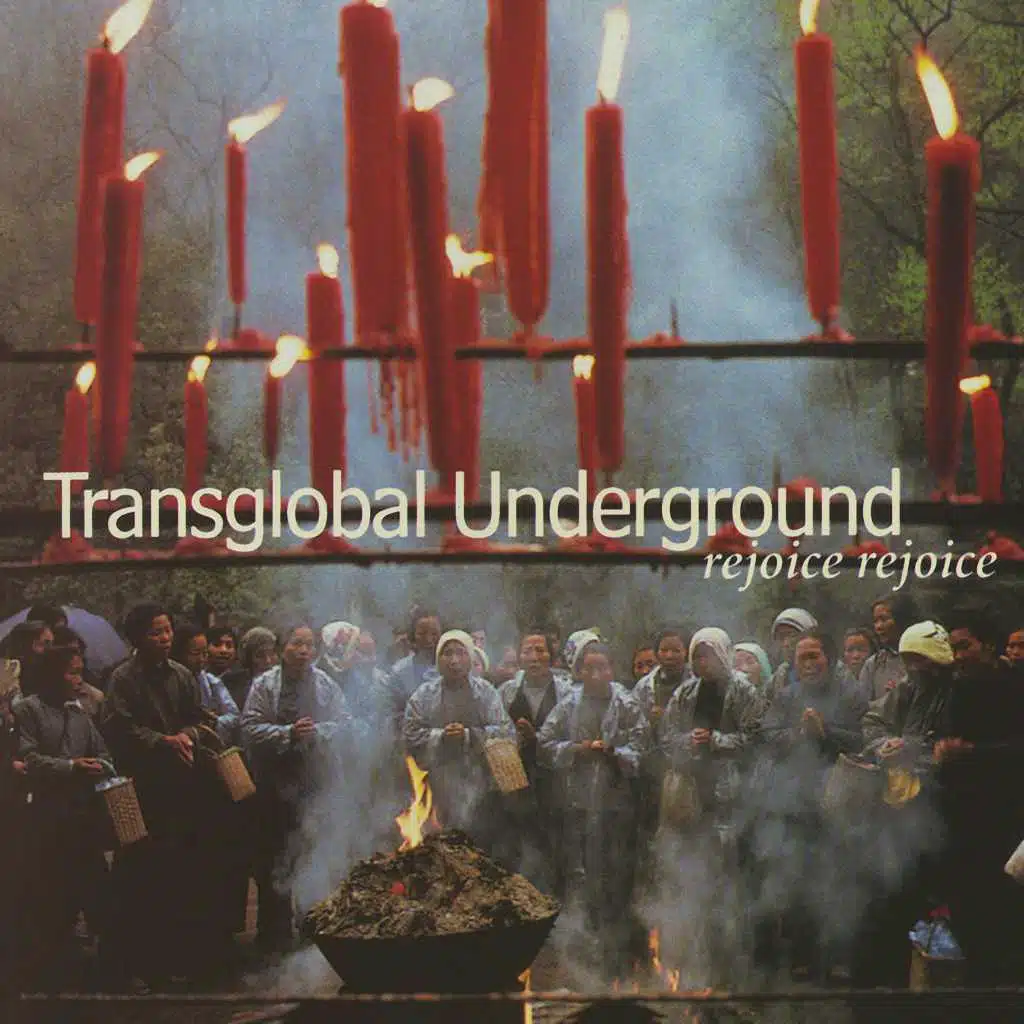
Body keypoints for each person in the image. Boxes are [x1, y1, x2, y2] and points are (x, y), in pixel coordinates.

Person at [102, 603, 216, 984]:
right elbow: (118, 729)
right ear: (138, 638)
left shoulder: (182, 675)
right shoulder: (122, 679)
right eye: (156, 632)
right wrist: (161, 741)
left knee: (177, 872)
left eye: (167, 630)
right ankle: (128, 965)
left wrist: (186, 735)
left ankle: (172, 961)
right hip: (140, 789)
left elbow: (198, 718)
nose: (165, 638)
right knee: (137, 874)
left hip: (180, 786)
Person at [756, 632, 866, 980]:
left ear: (829, 659)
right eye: (801, 658)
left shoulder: (850, 694)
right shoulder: (786, 696)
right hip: (795, 801)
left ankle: (839, 958)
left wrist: (825, 732)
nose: (808, 664)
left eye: (814, 656)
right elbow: (767, 737)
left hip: (840, 800)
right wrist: (799, 734)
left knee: (838, 880)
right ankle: (801, 957)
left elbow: (864, 739)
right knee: (797, 880)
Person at [537, 643, 646, 975]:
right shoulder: (569, 704)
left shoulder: (627, 704)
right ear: (580, 671)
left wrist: (615, 753)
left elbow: (643, 747)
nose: (596, 675)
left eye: (602, 668)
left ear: (612, 670)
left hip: (617, 805)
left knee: (617, 872)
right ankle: (582, 944)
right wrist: (577, 749)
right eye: (590, 668)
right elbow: (544, 742)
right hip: (577, 802)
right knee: (580, 872)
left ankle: (618, 947)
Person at [241, 624, 352, 950]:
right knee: (273, 859)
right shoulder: (265, 685)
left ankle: (312, 931)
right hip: (273, 786)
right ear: (281, 648)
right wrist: (287, 733)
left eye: (309, 644)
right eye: (297, 643)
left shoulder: (326, 684)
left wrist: (317, 732)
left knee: (312, 856)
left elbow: (345, 725)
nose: (304, 650)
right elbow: (249, 727)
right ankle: (273, 936)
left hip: (314, 784)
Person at [14, 646, 114, 990]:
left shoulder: (79, 711)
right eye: (72, 672)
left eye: (80, 672)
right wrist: (71, 767)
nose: (78, 680)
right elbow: (29, 759)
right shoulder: (29, 710)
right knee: (52, 896)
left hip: (83, 817)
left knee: (96, 889)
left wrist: (100, 766)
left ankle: (100, 969)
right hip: (47, 818)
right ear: (53, 674)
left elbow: (103, 752)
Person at [939, 611, 1024, 987]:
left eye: (965, 646)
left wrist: (973, 751)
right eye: (953, 647)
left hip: (1007, 813)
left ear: (988, 645)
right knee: (967, 902)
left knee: (1005, 901)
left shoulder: (1015, 686)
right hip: (964, 814)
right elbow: (948, 737)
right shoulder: (958, 688)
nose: (958, 656)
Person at [403, 630, 515, 847]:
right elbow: (410, 734)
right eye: (447, 653)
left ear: (471, 658)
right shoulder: (424, 695)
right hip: (437, 786)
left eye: (460, 653)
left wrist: (468, 735)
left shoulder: (486, 693)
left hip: (480, 785)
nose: (454, 660)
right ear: (438, 660)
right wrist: (441, 737)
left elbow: (505, 732)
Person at [498, 630, 574, 888]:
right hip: (515, 778)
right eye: (527, 651)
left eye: (540, 650)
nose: (534, 657)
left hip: (555, 779)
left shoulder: (566, 692)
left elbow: (573, 733)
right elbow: (497, 731)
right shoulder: (507, 692)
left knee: (554, 842)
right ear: (519, 657)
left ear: (551, 656)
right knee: (518, 841)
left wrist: (538, 738)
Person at [386, 608, 442, 730]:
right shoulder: (400, 672)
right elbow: (393, 715)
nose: (428, 640)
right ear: (412, 636)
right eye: (422, 634)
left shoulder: (453, 667)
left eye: (434, 634)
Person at [859, 596, 916, 702]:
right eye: (875, 621)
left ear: (901, 619)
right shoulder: (873, 665)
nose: (878, 626)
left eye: (884, 619)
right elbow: (862, 707)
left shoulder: (921, 659)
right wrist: (889, 700)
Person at [221, 626, 278, 710]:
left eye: (272, 653)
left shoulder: (283, 683)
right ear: (248, 658)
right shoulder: (230, 684)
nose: (268, 661)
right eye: (260, 655)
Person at [767, 609, 818, 699]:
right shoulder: (779, 676)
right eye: (781, 637)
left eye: (792, 635)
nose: (786, 643)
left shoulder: (833, 671)